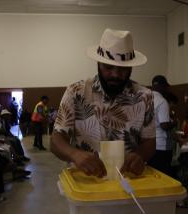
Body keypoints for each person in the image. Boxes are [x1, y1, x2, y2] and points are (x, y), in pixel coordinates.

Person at [50, 28, 156, 177]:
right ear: (98, 63)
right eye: (108, 67)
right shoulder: (76, 92)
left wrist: (140, 155)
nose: (115, 74)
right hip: (86, 182)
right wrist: (74, 154)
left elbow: (150, 142)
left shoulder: (145, 96)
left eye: (123, 69)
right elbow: (56, 140)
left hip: (128, 181)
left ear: (131, 67)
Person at [148, 75, 175, 176]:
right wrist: (173, 123)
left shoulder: (146, 99)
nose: (167, 89)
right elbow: (164, 126)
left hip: (148, 145)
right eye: (166, 87)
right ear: (162, 86)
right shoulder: (162, 101)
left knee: (152, 174)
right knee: (163, 175)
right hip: (161, 146)